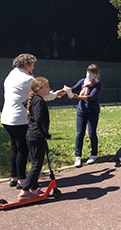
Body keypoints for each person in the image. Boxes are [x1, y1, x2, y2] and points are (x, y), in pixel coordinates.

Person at [1, 53, 64, 189]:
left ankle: (14, 177)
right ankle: (22, 181)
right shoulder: (27, 78)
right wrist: (55, 94)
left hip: (7, 117)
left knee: (14, 148)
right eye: (33, 64)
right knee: (23, 150)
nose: (34, 67)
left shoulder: (11, 74)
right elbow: (39, 94)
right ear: (27, 64)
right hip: (20, 118)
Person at [18, 77, 52, 201]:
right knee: (37, 164)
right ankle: (24, 191)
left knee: (36, 163)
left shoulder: (35, 99)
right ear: (39, 89)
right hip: (36, 136)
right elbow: (39, 120)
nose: (49, 88)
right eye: (47, 87)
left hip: (32, 135)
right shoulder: (39, 101)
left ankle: (34, 188)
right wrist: (45, 135)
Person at [67, 64, 103, 167]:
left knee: (92, 133)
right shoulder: (82, 81)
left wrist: (77, 97)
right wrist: (67, 90)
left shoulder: (98, 85)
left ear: (96, 74)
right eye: (88, 72)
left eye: (92, 73)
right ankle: (78, 156)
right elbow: (74, 88)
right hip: (81, 112)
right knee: (80, 133)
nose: (89, 74)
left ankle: (94, 154)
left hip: (93, 112)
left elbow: (90, 97)